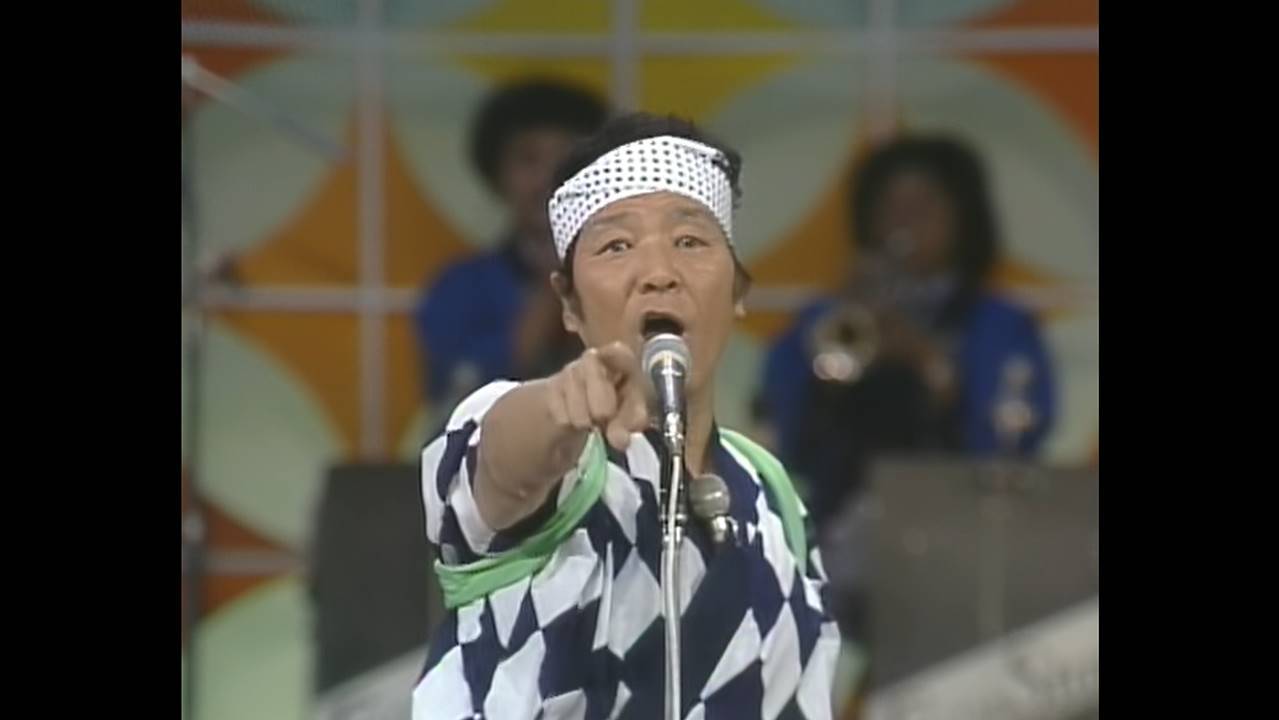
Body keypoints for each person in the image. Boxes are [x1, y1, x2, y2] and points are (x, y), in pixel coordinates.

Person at [412, 113, 840, 719]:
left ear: (739, 291)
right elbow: (504, 463)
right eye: (616, 246)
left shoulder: (774, 499)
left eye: (690, 242)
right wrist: (557, 407)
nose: (659, 274)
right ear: (568, 303)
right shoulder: (550, 448)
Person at [761, 134, 1058, 536]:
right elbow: (783, 431)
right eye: (889, 208)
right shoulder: (827, 316)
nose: (902, 224)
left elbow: (1016, 442)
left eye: (921, 209)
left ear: (963, 219)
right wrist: (827, 374)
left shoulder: (1000, 322)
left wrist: (925, 360)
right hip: (844, 522)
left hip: (965, 527)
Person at [415, 79, 610, 412]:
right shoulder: (460, 286)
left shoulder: (628, 278)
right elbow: (462, 396)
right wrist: (555, 285)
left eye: (567, 160)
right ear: (497, 174)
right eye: (529, 160)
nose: (548, 179)